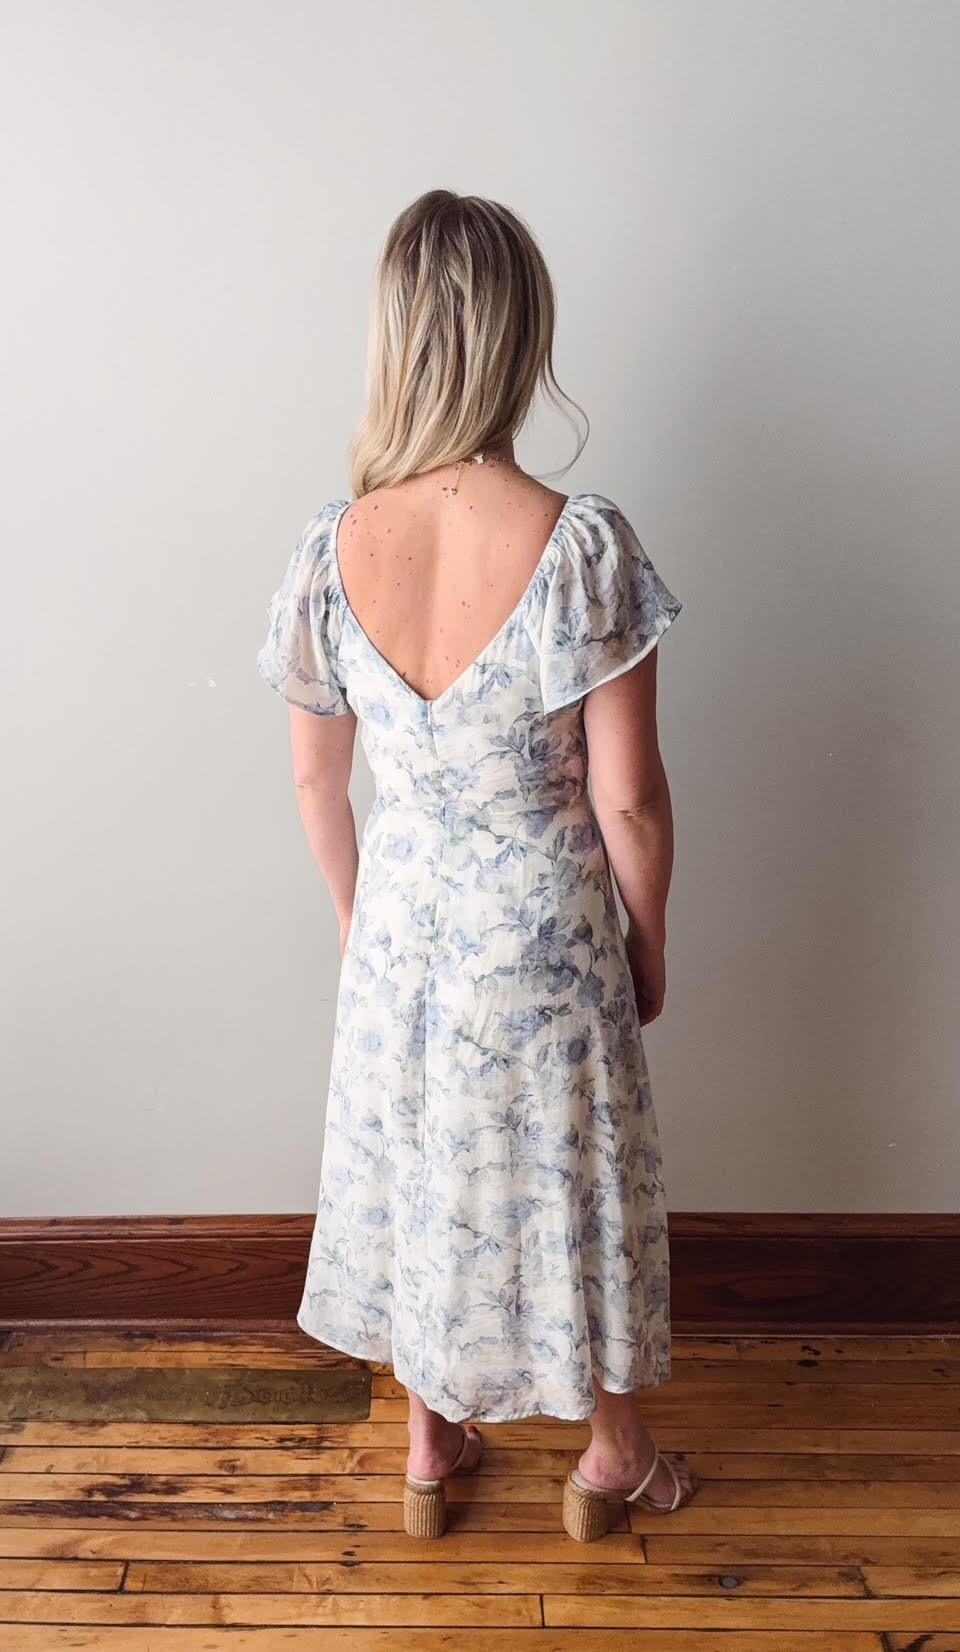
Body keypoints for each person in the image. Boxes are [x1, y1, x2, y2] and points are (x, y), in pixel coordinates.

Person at [257, 188, 698, 1541]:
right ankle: (612, 1457)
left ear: (400, 338)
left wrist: (355, 924)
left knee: (418, 1159)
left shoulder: (331, 550)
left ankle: (431, 1443)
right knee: (575, 1171)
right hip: (545, 931)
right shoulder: (580, 546)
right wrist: (650, 939)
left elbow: (316, 778)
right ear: (522, 337)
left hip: (402, 925)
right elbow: (627, 799)